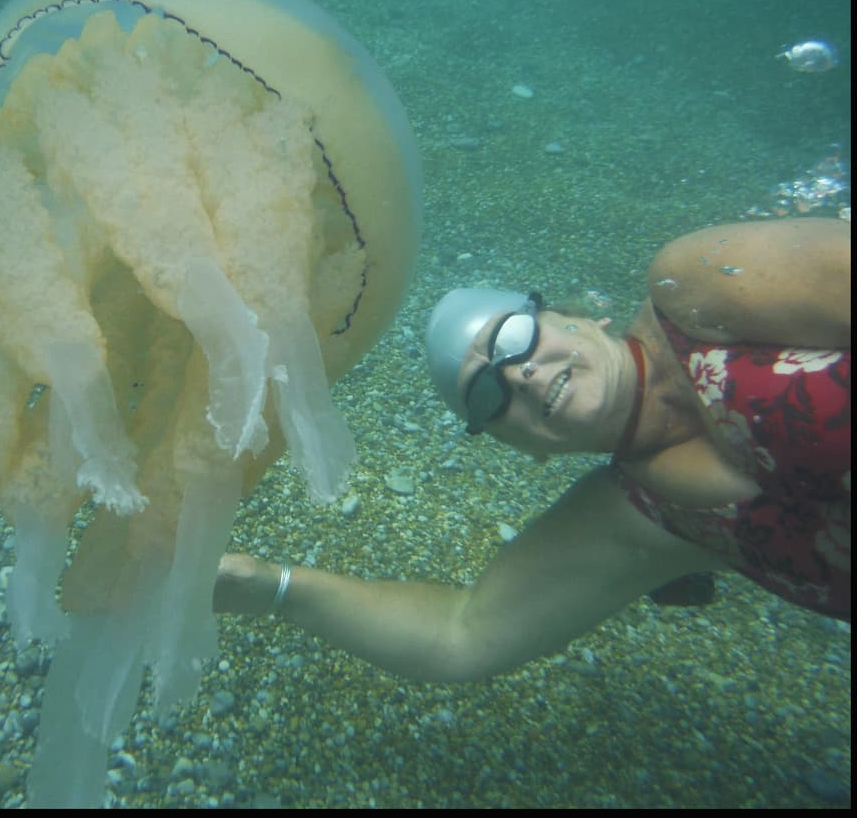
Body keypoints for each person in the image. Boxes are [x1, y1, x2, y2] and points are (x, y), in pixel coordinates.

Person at [212, 218, 850, 684]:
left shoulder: (698, 290)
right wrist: (274, 588)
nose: (517, 375)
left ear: (578, 317)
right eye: (486, 397)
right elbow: (462, 636)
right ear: (521, 448)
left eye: (513, 337)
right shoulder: (642, 514)